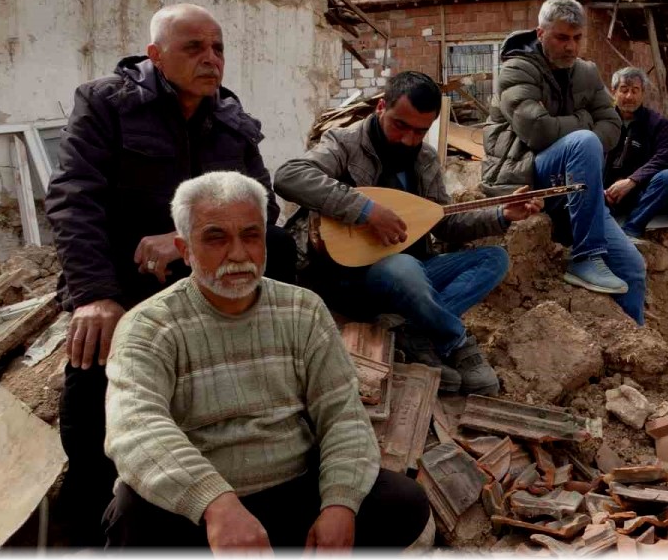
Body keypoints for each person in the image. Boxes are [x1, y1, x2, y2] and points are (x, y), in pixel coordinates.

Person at [43, 3, 298, 546]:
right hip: (125, 275)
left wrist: (182, 239)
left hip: (196, 265)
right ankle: (89, 511)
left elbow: (264, 204)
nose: (211, 59)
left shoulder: (230, 117)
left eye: (218, 48)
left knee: (277, 245)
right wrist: (93, 294)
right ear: (156, 55)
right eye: (194, 47)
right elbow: (73, 199)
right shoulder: (106, 104)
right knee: (94, 377)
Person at [102, 171, 430, 550]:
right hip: (201, 509)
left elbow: (343, 415)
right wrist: (216, 504)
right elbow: (136, 427)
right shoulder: (149, 326)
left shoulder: (303, 310)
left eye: (251, 235)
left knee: (402, 502)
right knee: (131, 515)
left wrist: (340, 503)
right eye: (216, 238)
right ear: (185, 248)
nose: (238, 254)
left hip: (294, 486)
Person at [274, 71, 541, 396]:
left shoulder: (424, 159)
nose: (408, 139)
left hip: (413, 274)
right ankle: (456, 341)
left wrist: (501, 215)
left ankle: (413, 332)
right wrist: (366, 211)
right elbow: (290, 176)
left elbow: (443, 222)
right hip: (351, 278)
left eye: (420, 131)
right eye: (400, 125)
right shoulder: (345, 142)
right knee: (402, 267)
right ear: (381, 108)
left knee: (494, 259)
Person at [482, 0, 647, 325]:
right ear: (540, 34)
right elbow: (538, 131)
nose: (570, 46)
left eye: (577, 38)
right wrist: (584, 121)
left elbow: (613, 126)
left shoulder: (586, 72)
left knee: (633, 267)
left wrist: (577, 127)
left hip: (575, 184)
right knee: (584, 141)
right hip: (525, 176)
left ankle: (636, 340)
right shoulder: (515, 70)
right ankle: (585, 257)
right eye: (561, 37)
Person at [603, 66, 668, 242]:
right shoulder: (603, 121)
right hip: (609, 194)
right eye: (624, 90)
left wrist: (632, 181)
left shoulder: (657, 123)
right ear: (614, 91)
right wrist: (601, 189)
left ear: (643, 94)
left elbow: (666, 157)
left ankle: (631, 229)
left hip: (643, 193)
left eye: (635, 91)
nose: (629, 96)